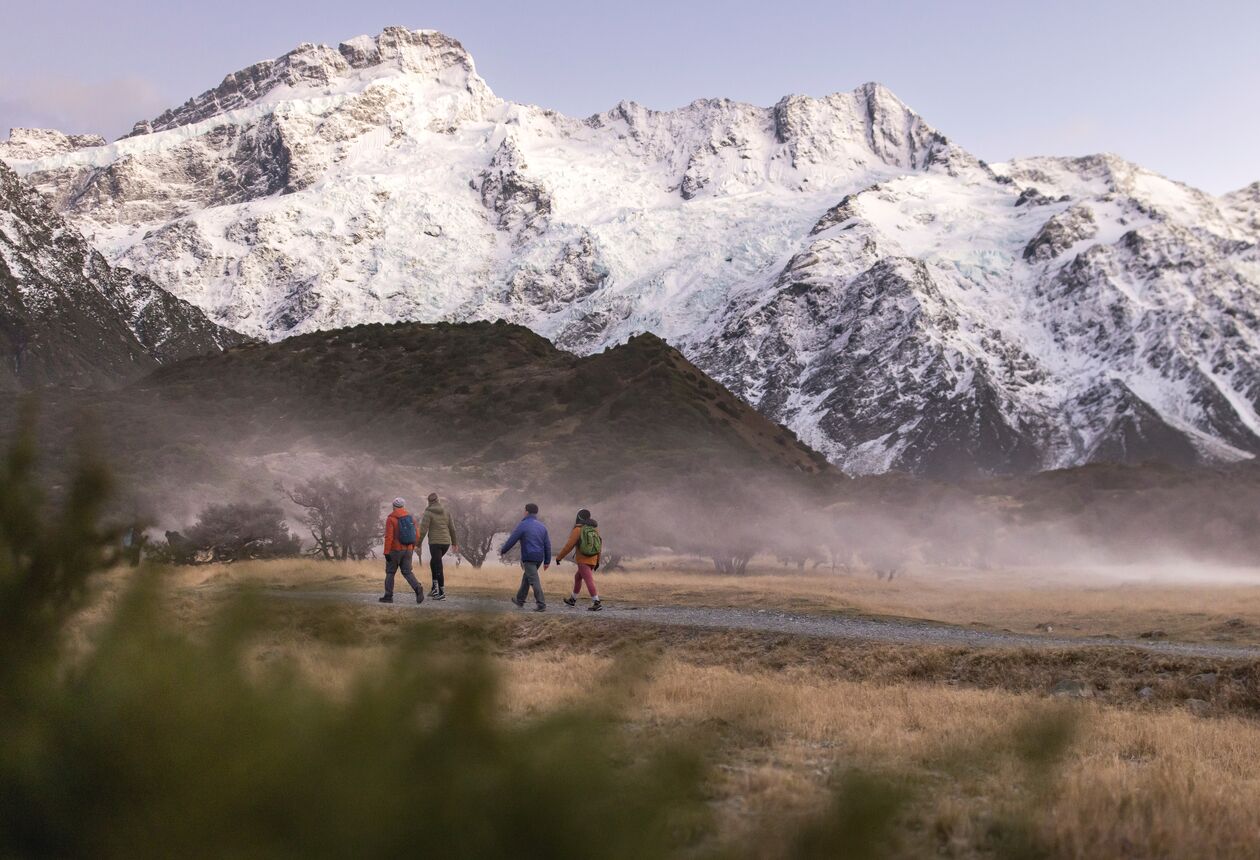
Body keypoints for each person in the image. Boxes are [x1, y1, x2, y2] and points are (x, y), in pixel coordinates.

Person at [499, 502, 551, 612]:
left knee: (534, 580)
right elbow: (547, 545)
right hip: (539, 558)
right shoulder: (542, 527)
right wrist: (547, 561)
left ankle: (541, 604)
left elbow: (512, 539)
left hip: (529, 557)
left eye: (524, 510)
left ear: (526, 512)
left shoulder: (523, 525)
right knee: (527, 578)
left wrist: (503, 550)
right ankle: (520, 600)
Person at [556, 509, 603, 611]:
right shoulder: (594, 529)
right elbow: (599, 546)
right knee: (578, 577)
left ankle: (596, 602)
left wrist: (559, 557)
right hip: (593, 559)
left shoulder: (578, 529)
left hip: (583, 560)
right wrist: (598, 561)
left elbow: (569, 546)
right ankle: (572, 599)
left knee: (588, 580)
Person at [380, 498, 424, 604]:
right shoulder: (410, 518)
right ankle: (418, 588)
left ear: (393, 506)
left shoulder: (391, 518)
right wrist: (412, 547)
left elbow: (389, 537)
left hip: (395, 550)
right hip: (408, 550)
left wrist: (386, 552)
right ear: (403, 506)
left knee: (390, 572)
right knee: (407, 572)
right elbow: (417, 535)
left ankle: (388, 596)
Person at [417, 492, 459, 601]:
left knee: (438, 566)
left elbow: (423, 530)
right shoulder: (446, 512)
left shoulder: (428, 512)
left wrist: (418, 544)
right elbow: (452, 529)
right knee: (434, 563)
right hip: (446, 543)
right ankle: (434, 589)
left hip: (435, 543)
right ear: (438, 500)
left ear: (429, 502)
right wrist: (454, 543)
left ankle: (441, 593)